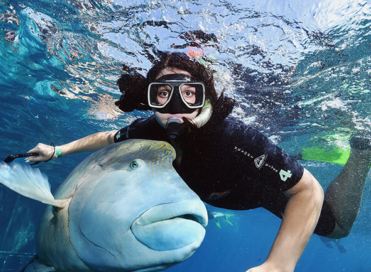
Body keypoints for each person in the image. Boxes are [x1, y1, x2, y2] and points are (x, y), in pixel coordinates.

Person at [25, 52, 371, 272]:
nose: (176, 106)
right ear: (150, 99)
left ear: (205, 95)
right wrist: (57, 150)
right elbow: (109, 137)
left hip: (254, 189)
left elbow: (307, 190)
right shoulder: (151, 127)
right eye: (163, 94)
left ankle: (362, 151)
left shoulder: (235, 138)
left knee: (336, 228)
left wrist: (279, 264)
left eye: (188, 93)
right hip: (216, 192)